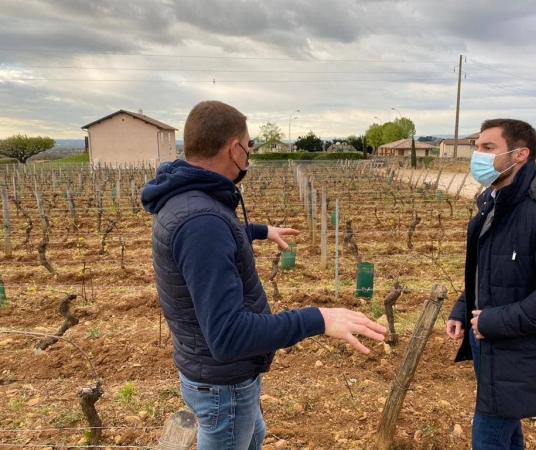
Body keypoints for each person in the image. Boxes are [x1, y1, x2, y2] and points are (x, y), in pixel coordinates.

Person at [141, 100, 386, 450]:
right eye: (249, 145)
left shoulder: (188, 200)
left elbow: (213, 232)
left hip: (217, 374)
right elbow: (227, 336)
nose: (250, 154)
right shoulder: (202, 223)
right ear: (234, 148)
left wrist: (258, 229)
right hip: (223, 382)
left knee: (253, 435)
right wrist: (317, 318)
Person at [446, 118, 536, 450]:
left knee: (488, 436)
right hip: (491, 338)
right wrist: (462, 309)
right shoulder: (495, 199)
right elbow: (488, 269)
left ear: (520, 154)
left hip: (521, 344)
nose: (477, 155)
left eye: (487, 147)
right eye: (477, 147)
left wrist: (491, 321)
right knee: (504, 424)